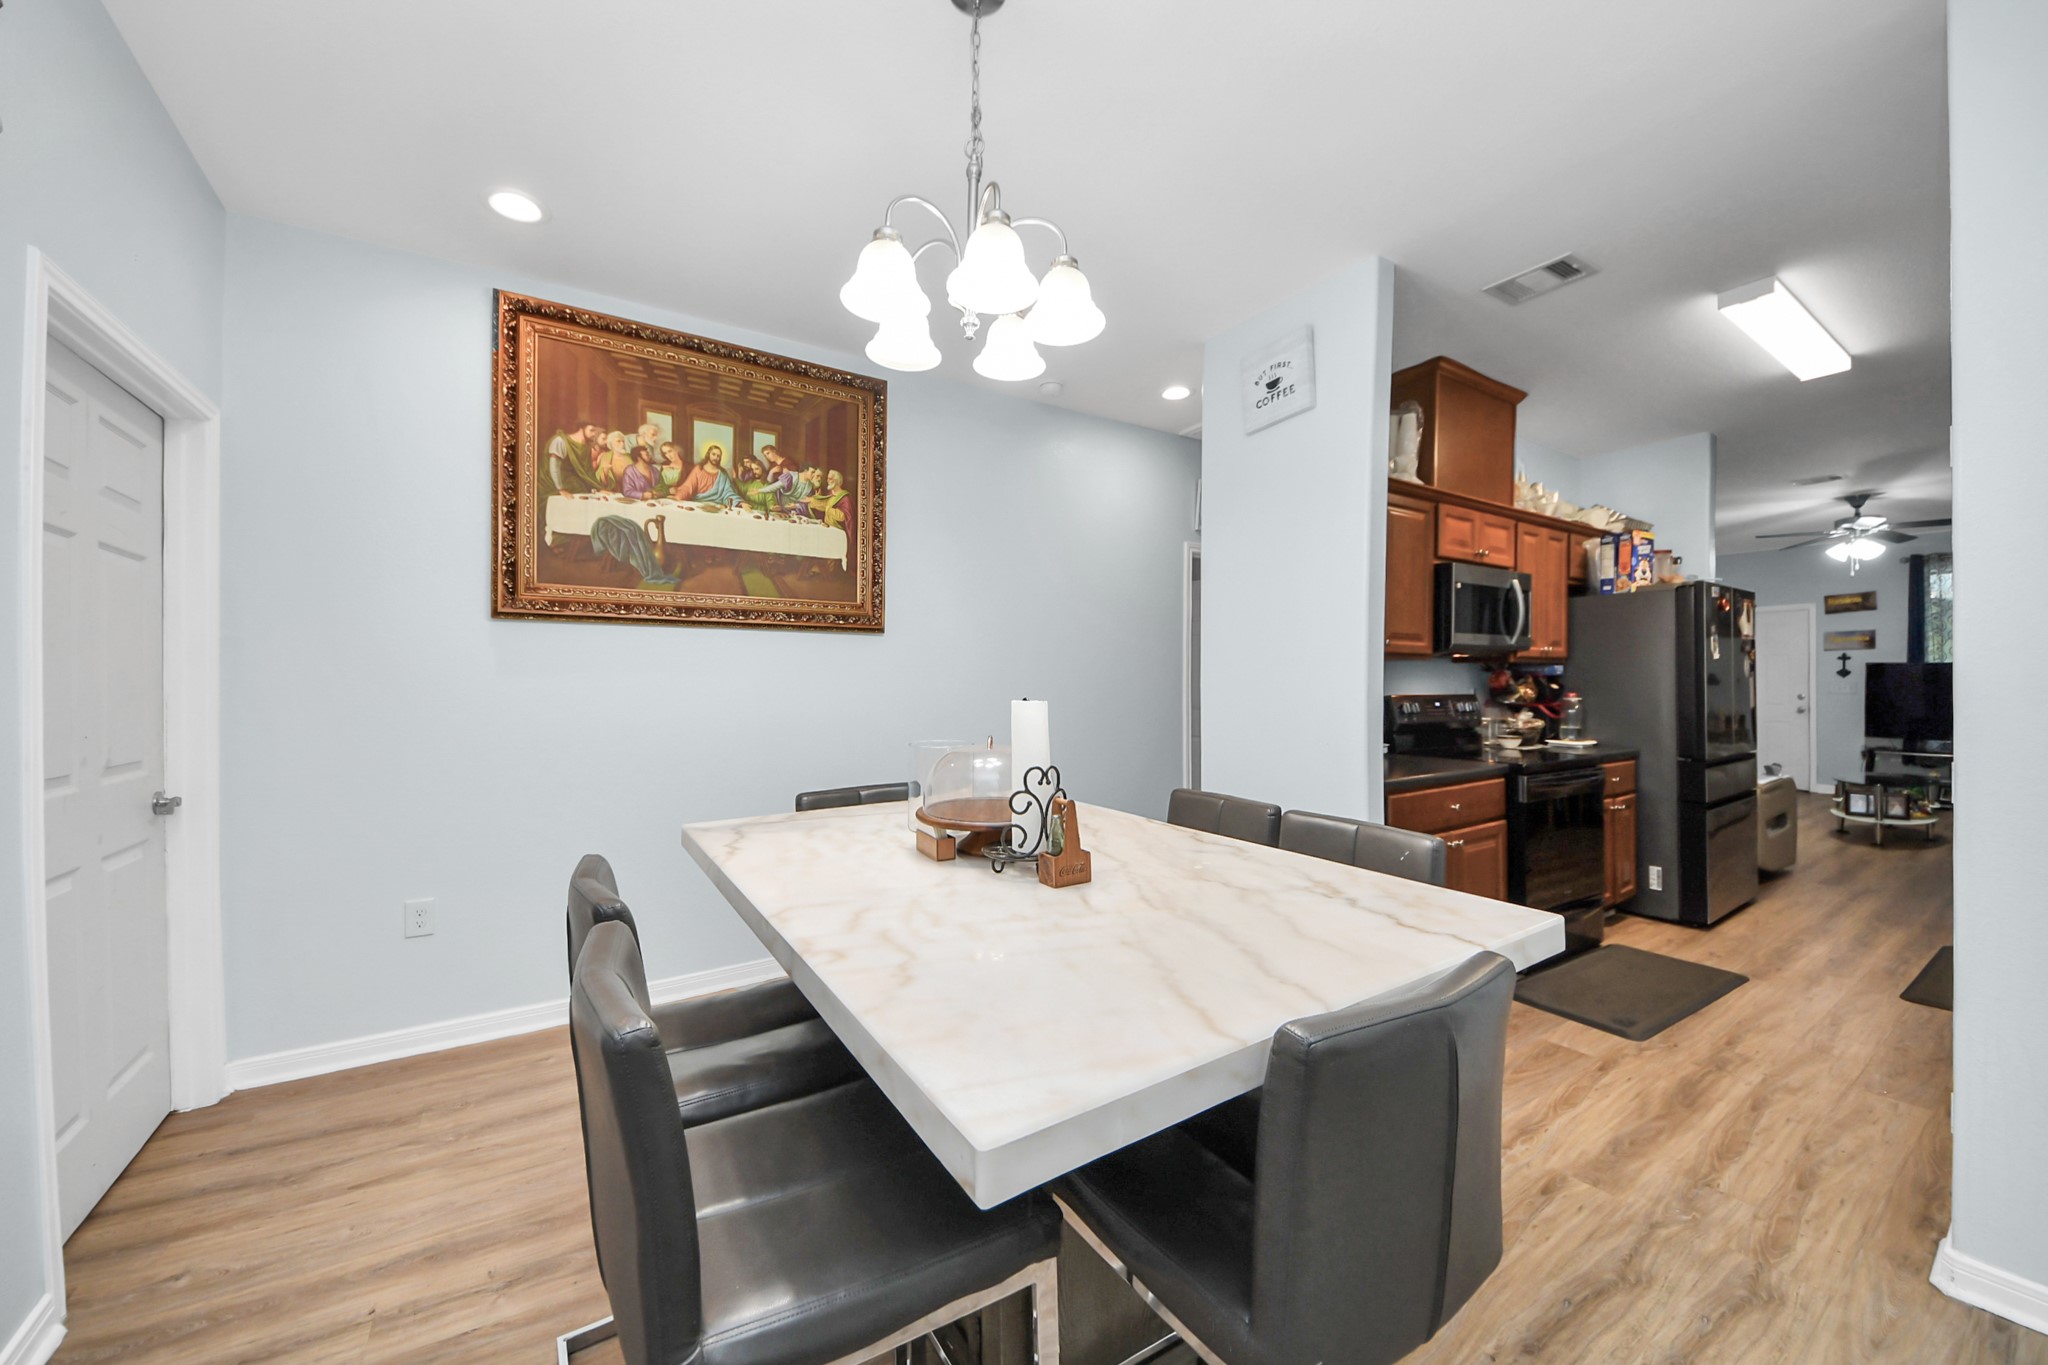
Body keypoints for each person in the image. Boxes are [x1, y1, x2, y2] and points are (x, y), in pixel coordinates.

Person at [545, 421, 605, 495]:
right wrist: (561, 489)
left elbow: (588, 473)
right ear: (581, 429)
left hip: (574, 482)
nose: (594, 434)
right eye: (591, 430)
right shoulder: (560, 441)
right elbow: (554, 467)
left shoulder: (586, 447)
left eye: (595, 432)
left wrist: (598, 488)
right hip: (554, 483)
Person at [671, 445, 742, 507]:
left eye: (718, 456)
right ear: (708, 454)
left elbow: (729, 492)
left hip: (717, 506)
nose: (715, 457)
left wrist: (740, 503)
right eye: (713, 454)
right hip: (699, 504)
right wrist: (678, 497)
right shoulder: (698, 469)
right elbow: (688, 487)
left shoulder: (723, 474)